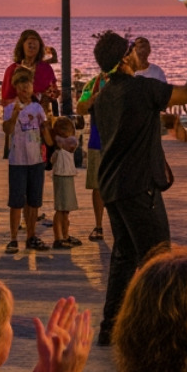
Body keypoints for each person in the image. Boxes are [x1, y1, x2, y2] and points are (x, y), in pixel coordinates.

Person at [93, 27, 187, 346]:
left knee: (124, 256)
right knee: (159, 260)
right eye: (132, 49)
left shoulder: (103, 96)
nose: (137, 52)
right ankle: (161, 332)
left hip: (112, 186)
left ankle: (110, 327)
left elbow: (129, 127)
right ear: (125, 59)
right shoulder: (141, 89)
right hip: (139, 187)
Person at [2, 70, 50, 252]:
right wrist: (14, 114)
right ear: (16, 87)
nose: (25, 88)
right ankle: (13, 238)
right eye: (21, 85)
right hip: (18, 160)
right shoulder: (10, 108)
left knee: (34, 200)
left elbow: (45, 129)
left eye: (28, 84)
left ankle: (31, 235)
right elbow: (7, 130)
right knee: (16, 201)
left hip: (36, 159)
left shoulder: (37, 108)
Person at [76, 68, 109, 244]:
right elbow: (80, 108)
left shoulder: (127, 82)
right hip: (98, 139)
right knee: (97, 185)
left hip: (120, 140)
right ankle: (98, 225)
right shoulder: (94, 84)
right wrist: (91, 100)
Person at [1, 29, 58, 107]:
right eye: (30, 44)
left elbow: (53, 93)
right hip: (18, 111)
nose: (32, 46)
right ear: (22, 46)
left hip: (41, 111)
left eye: (35, 44)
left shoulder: (46, 69)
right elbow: (6, 99)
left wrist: (48, 96)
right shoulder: (12, 70)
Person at [49, 117, 81, 250]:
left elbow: (74, 144)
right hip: (61, 177)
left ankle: (65, 235)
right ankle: (58, 237)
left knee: (66, 209)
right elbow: (53, 160)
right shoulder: (59, 150)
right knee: (60, 208)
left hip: (68, 177)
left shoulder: (69, 147)